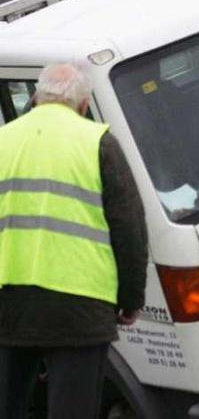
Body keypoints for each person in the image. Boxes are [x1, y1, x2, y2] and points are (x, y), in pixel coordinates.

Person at [0, 64, 148, 418]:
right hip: (80, 306)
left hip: (9, 304)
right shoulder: (98, 142)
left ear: (36, 98)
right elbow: (129, 227)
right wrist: (130, 299)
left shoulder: (3, 141)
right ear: (83, 107)